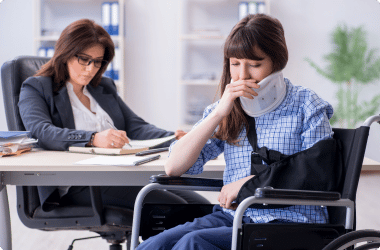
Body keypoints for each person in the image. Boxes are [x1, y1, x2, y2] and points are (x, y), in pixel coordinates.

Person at [136, 13, 336, 250]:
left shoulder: (306, 104)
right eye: (235, 64)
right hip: (234, 217)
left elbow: (318, 169)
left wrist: (249, 183)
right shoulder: (226, 109)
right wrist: (219, 113)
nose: (242, 76)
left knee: (193, 243)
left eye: (254, 64)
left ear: (277, 61)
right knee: (155, 245)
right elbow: (174, 167)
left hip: (290, 222)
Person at [18, 18, 207, 212]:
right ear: (65, 53)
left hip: (118, 174)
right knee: (175, 209)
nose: (90, 68)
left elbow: (135, 126)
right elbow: (42, 132)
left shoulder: (102, 87)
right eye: (84, 59)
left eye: (97, 62)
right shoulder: (37, 87)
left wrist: (173, 138)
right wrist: (93, 139)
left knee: (200, 206)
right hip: (77, 183)